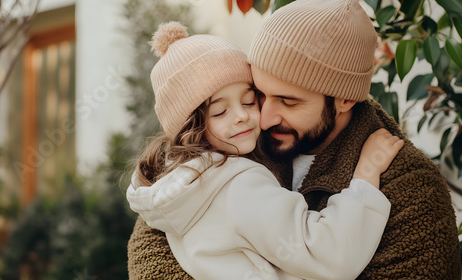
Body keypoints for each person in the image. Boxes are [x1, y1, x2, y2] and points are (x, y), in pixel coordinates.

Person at [127, 0, 462, 279]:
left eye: (288, 101)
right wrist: (364, 180)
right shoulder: (224, 155)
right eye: (259, 94)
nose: (265, 117)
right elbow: (152, 257)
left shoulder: (410, 186)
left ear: (344, 99)